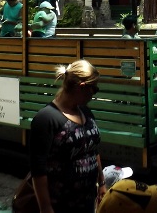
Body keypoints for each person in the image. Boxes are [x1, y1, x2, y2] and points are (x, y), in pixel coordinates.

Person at [29, 59, 106, 213]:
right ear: (82, 87)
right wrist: (45, 207)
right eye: (94, 89)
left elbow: (93, 150)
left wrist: (101, 182)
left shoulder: (86, 112)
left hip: (86, 202)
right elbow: (38, 169)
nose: (94, 94)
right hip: (61, 204)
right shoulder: (46, 119)